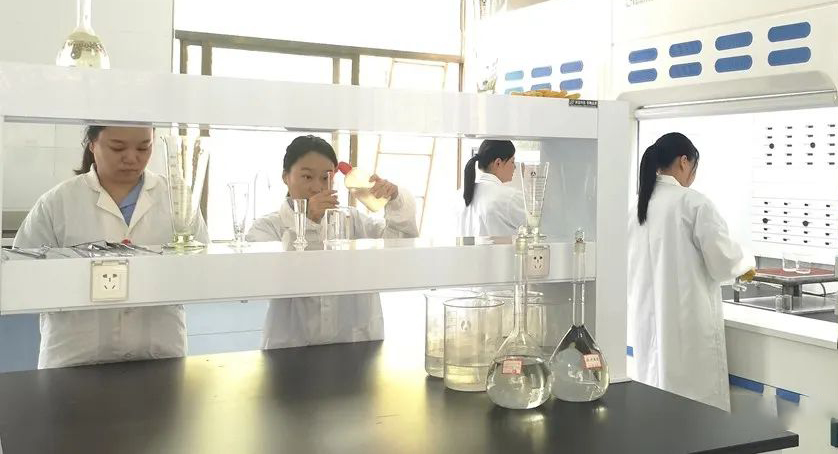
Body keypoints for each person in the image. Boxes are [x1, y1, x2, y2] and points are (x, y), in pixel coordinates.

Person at [14, 126, 208, 368]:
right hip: (75, 357)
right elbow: (21, 278)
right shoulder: (58, 202)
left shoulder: (177, 198)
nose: (131, 158)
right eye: (117, 147)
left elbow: (201, 268)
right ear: (92, 144)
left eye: (143, 147)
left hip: (159, 354)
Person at [247, 135, 418, 349]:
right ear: (285, 177)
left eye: (326, 177)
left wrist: (395, 200)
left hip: (357, 344)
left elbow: (400, 245)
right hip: (290, 348)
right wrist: (307, 221)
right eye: (307, 177)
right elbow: (269, 278)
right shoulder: (267, 227)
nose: (317, 187)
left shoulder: (352, 220)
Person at [626, 132, 754, 412]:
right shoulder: (693, 203)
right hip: (687, 329)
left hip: (646, 325)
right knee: (695, 415)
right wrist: (747, 262)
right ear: (684, 161)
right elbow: (723, 260)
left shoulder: (636, 206)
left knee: (657, 410)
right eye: (694, 167)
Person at [457, 139, 525, 237]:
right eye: (512, 161)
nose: (514, 167)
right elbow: (537, 224)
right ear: (498, 163)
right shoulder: (509, 197)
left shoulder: (459, 195)